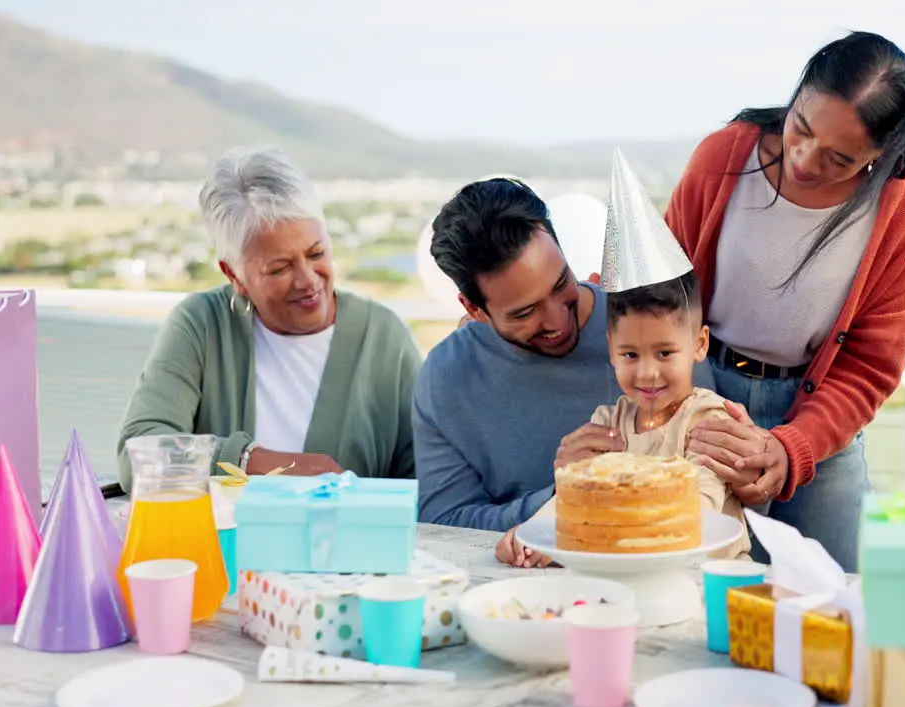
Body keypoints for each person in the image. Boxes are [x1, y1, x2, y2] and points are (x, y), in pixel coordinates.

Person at [663, 31, 905, 570]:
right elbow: (661, 288)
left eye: (840, 157)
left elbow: (867, 370)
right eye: (801, 128)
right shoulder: (724, 157)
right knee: (702, 585)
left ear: (884, 154)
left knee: (841, 596)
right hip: (701, 395)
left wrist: (792, 448)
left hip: (818, 420)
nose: (806, 160)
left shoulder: (904, 217)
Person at [414, 179, 714, 532]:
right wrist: (565, 495)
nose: (557, 321)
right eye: (524, 313)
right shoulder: (446, 378)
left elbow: (710, 484)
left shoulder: (650, 325)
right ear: (474, 309)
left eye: (560, 284)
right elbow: (444, 524)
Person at [116, 147, 421, 492]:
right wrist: (253, 461)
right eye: (279, 268)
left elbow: (424, 482)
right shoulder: (201, 325)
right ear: (235, 275)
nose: (308, 280)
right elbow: (137, 456)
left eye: (317, 253)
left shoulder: (384, 338)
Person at [496, 271, 751, 567]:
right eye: (630, 354)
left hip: (708, 582)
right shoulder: (608, 423)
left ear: (699, 344)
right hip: (629, 574)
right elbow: (578, 495)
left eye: (665, 352)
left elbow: (696, 506)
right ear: (612, 350)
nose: (647, 373)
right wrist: (534, 536)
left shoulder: (707, 418)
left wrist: (595, 525)